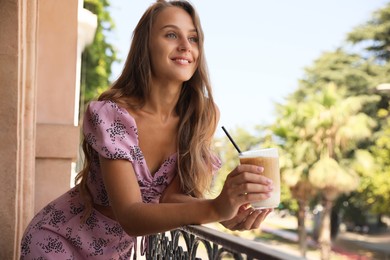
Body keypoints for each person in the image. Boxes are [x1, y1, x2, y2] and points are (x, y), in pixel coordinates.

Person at [20, 0, 274, 259]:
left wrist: (225, 213)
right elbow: (130, 214)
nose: (186, 46)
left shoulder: (201, 116)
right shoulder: (111, 114)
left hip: (115, 252)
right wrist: (214, 209)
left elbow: (171, 199)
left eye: (194, 38)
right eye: (171, 34)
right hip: (59, 242)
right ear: (146, 45)